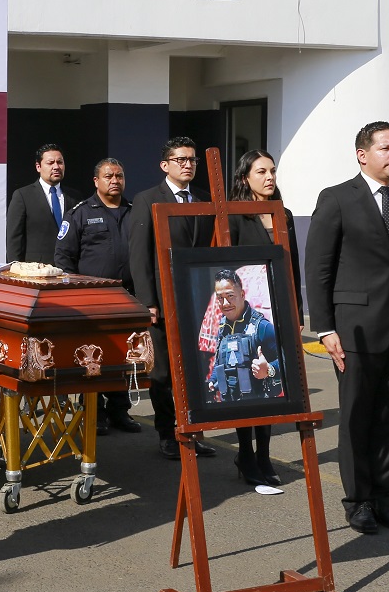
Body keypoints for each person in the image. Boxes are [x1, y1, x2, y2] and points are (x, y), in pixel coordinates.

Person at [306, 121, 389, 534]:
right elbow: (319, 268)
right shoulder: (338, 198)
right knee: (359, 416)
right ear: (363, 154)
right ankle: (358, 501)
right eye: (386, 147)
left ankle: (383, 498)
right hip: (356, 329)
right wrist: (325, 327)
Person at [128, 136, 217, 460]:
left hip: (196, 302)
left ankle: (193, 431)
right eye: (181, 159)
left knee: (196, 372)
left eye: (192, 159)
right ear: (165, 165)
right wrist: (147, 301)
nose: (188, 165)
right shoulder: (147, 199)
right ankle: (167, 434)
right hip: (162, 303)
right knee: (163, 373)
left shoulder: (204, 200)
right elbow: (140, 255)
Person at [225, 149, 303, 486]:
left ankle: (264, 455)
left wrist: (296, 310)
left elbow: (293, 267)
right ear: (245, 178)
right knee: (246, 383)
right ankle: (245, 453)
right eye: (261, 172)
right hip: (246, 313)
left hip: (278, 311)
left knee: (271, 382)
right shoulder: (233, 216)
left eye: (272, 171)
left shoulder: (282, 214)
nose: (269, 177)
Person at [54, 158, 141, 435]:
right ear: (96, 181)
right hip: (92, 300)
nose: (114, 180)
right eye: (108, 176)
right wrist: (73, 295)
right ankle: (95, 411)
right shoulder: (80, 212)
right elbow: (63, 257)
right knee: (93, 358)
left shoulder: (134, 211)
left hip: (127, 297)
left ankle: (119, 410)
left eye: (119, 175)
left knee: (123, 356)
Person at [205, 269, 282, 485]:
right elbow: (219, 358)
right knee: (240, 407)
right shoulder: (221, 326)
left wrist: (270, 369)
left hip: (261, 393)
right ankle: (246, 457)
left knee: (260, 411)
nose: (225, 302)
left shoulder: (262, 327)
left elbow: (286, 362)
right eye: (220, 298)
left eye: (230, 295)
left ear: (242, 293)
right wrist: (212, 379)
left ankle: (263, 458)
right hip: (235, 394)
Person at [6, 143, 82, 264]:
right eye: (50, 163)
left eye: (60, 162)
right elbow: (14, 238)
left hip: (69, 269)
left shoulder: (75, 197)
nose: (56, 167)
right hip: (36, 270)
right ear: (38, 167)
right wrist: (15, 268)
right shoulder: (23, 195)